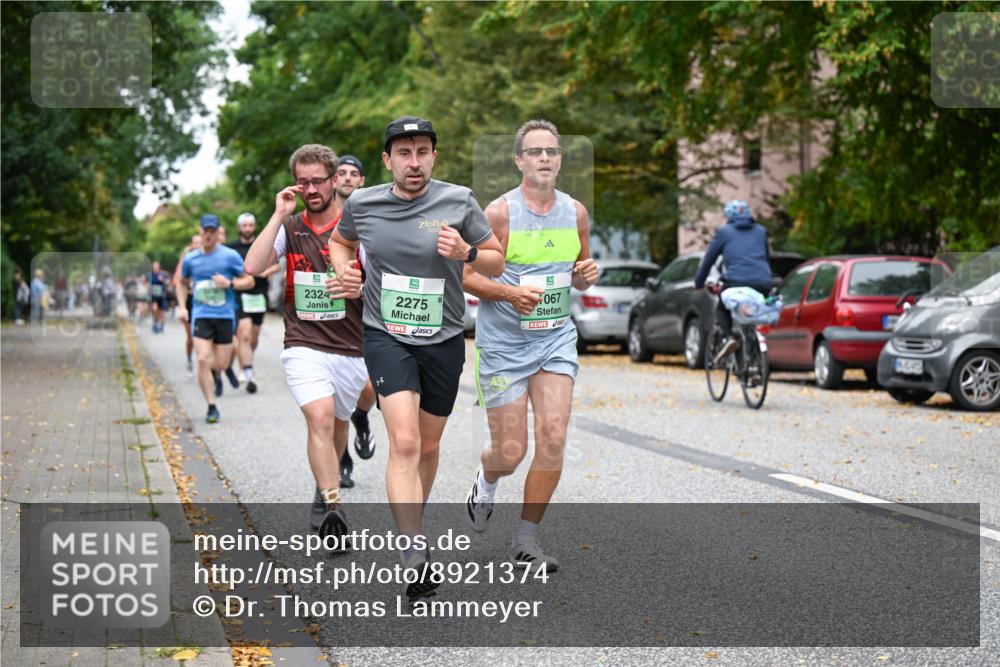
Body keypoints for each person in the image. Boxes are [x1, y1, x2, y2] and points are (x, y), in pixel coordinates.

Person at [329, 115, 504, 600]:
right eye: (403, 153)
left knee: (428, 448)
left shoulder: (458, 200)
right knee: (404, 443)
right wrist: (346, 274)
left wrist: (467, 251)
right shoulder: (363, 204)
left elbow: (496, 260)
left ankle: (413, 525)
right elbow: (340, 242)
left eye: (422, 151)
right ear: (387, 160)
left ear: (434, 156)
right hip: (386, 335)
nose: (414, 161)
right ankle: (413, 550)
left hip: (444, 338)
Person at [463, 120, 599, 572]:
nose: (545, 158)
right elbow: (467, 275)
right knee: (510, 451)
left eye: (553, 152)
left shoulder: (576, 213)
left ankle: (526, 540)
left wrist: (582, 276)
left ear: (560, 160)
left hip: (555, 338)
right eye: (535, 151)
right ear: (519, 160)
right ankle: (486, 481)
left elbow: (576, 268)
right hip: (503, 344)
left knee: (554, 436)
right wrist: (510, 293)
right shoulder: (499, 213)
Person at [244, 143, 369, 542]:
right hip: (303, 342)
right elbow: (253, 266)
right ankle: (334, 507)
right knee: (319, 416)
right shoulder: (291, 227)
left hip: (353, 346)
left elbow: (380, 286)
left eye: (317, 181)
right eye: (302, 182)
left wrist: (358, 285)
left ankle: (323, 483)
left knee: (336, 422)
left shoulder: (357, 229)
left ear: (335, 180)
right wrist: (278, 214)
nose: (311, 189)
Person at [176, 214, 254, 423]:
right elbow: (181, 282)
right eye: (205, 231)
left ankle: (221, 371)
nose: (208, 235)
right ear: (200, 232)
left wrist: (229, 284)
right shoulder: (191, 259)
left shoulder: (230, 256)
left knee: (219, 363)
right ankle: (211, 405)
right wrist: (182, 307)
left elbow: (249, 281)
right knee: (202, 359)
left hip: (225, 315)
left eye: (212, 231)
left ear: (218, 233)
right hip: (201, 315)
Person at [333, 155, 376, 485]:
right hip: (331, 318)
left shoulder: (373, 214)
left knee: (368, 387)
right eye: (341, 174)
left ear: (361, 181)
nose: (347, 179)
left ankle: (362, 416)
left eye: (353, 174)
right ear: (333, 181)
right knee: (334, 397)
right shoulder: (320, 219)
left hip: (367, 313)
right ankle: (342, 458)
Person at [693, 199, 772, 363]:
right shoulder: (761, 231)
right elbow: (766, 258)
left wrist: (699, 283)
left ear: (729, 215)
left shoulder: (724, 232)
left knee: (722, 308)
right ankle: (754, 352)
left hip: (736, 282)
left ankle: (729, 337)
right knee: (754, 313)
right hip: (762, 282)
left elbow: (709, 260)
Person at [227, 212, 281, 394]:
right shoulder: (231, 248)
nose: (248, 228)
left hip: (259, 295)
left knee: (254, 337)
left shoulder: (262, 244)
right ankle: (246, 370)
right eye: (244, 225)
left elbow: (279, 262)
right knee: (244, 334)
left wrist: (265, 272)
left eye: (251, 225)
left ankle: (247, 359)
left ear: (254, 227)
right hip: (240, 295)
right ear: (239, 228)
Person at [174, 234, 202, 378]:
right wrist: (181, 306)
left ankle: (203, 364)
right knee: (191, 337)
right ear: (192, 245)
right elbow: (178, 281)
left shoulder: (209, 257)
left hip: (203, 301)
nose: (198, 244)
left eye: (200, 241)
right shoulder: (187, 260)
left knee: (202, 336)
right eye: (195, 242)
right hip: (190, 300)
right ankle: (189, 360)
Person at [150, 261, 170, 333]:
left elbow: (168, 282)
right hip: (154, 296)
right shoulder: (150, 275)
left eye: (157, 266)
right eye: (154, 266)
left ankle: (161, 325)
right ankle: (155, 323)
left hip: (161, 295)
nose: (155, 268)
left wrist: (163, 280)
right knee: (155, 309)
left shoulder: (163, 274)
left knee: (161, 312)